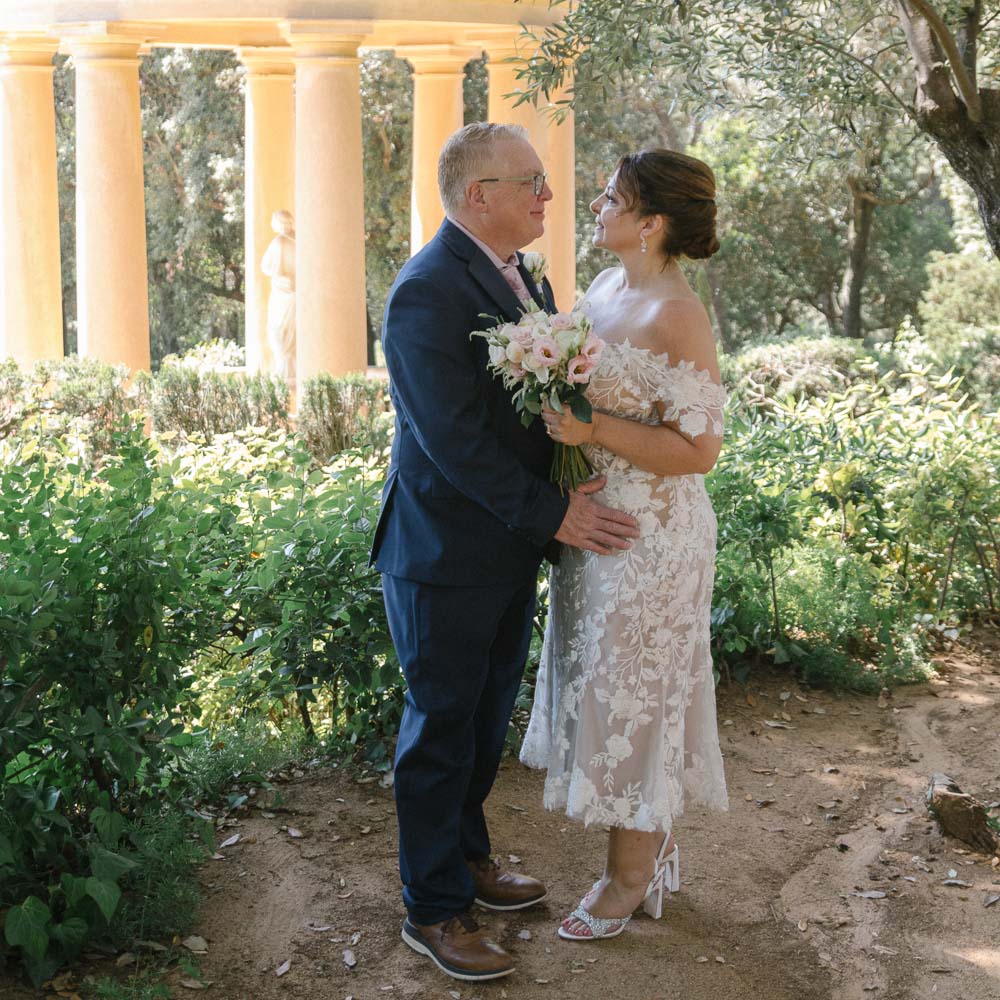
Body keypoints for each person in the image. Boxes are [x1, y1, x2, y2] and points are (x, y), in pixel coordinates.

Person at [370, 123, 640, 981]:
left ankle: (469, 859)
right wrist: (553, 512)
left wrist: (571, 472)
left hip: (508, 546)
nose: (547, 196)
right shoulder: (424, 292)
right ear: (474, 194)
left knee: (484, 722)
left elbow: (529, 412)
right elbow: (450, 438)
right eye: (529, 181)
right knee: (442, 728)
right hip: (442, 552)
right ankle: (433, 910)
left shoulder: (526, 277)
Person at [520, 148, 730, 941]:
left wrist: (592, 428)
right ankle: (648, 844)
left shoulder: (678, 313)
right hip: (595, 529)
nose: (597, 204)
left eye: (614, 197)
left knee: (635, 699)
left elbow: (700, 448)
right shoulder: (607, 286)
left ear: (652, 223)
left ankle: (628, 876)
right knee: (604, 690)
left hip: (654, 539)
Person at [261, 209, 296, 380]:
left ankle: (285, 370)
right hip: (295, 293)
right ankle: (289, 368)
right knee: (290, 331)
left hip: (282, 294)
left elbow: (266, 267)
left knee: (277, 329)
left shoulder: (279, 242)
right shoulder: (299, 241)